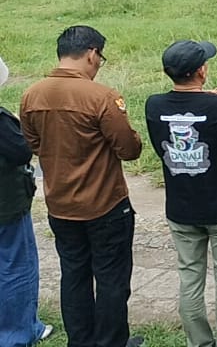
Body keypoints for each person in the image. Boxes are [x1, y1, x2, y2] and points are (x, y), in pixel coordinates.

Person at [21, 26, 144, 347]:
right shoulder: (101, 96)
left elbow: (32, 143)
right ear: (92, 53)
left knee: (73, 276)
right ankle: (111, 342)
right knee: (111, 280)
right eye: (100, 57)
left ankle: (81, 341)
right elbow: (129, 150)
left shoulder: (31, 94)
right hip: (106, 205)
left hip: (60, 206)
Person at [144, 41, 217, 347]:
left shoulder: (154, 105)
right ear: (201, 71)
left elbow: (162, 148)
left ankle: (198, 342)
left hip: (181, 207)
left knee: (189, 277)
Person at [0, 54, 54, 347]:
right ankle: (18, 333)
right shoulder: (1, 121)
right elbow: (21, 151)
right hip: (5, 207)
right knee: (15, 266)